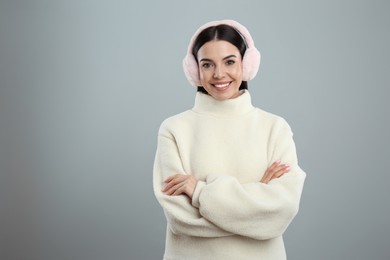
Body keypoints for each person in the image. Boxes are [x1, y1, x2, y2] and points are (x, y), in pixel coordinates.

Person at [153, 19, 306, 260]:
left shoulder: (275, 128)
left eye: (230, 62)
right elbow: (181, 219)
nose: (219, 74)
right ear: (195, 70)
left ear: (247, 64)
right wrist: (255, 202)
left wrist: (199, 192)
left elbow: (280, 212)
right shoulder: (174, 129)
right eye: (207, 64)